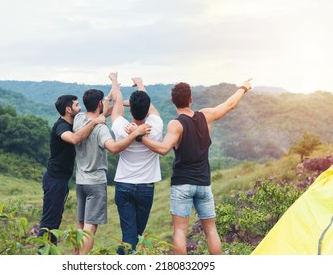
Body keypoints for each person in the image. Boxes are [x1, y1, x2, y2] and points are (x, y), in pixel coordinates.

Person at [141, 78, 253, 255]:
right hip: (203, 183)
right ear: (190, 99)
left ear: (172, 101)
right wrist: (243, 88)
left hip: (182, 184)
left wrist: (140, 138)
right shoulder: (206, 116)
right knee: (211, 231)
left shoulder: (176, 124)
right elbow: (230, 104)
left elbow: (163, 149)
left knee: (180, 231)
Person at [73, 88, 151, 255]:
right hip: (95, 183)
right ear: (99, 104)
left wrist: (113, 97)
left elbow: (107, 113)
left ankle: (74, 258)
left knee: (80, 226)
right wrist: (136, 133)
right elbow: (114, 148)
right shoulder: (101, 129)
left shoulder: (78, 119)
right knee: (90, 227)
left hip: (80, 181)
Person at [37, 95, 105, 245]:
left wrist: (112, 96)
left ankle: (49, 251)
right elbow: (74, 139)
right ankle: (43, 253)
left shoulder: (74, 122)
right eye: (76, 105)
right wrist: (94, 122)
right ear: (68, 109)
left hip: (61, 180)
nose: (80, 108)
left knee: (55, 219)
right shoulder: (61, 126)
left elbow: (100, 114)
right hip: (54, 180)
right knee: (49, 222)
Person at [107, 72, 163, 254]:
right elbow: (149, 106)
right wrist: (140, 83)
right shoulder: (156, 125)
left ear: (130, 110)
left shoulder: (121, 126)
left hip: (124, 185)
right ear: (147, 110)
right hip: (146, 187)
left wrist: (114, 81)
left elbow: (116, 103)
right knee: (134, 235)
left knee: (132, 236)